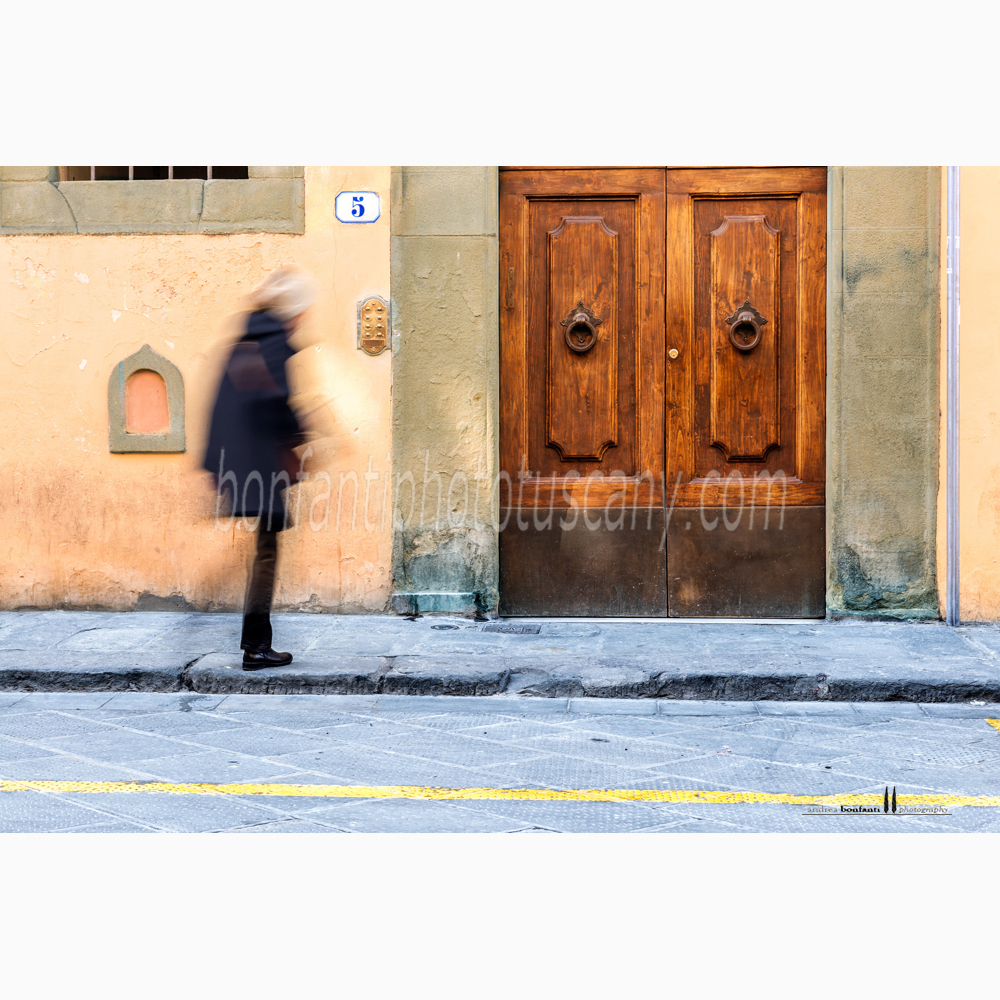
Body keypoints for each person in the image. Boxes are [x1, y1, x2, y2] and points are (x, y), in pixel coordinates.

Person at [203, 266, 317, 670]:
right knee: (266, 553)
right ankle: (256, 646)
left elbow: (221, 406)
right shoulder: (272, 343)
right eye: (302, 310)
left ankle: (256, 644)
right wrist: (303, 431)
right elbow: (274, 401)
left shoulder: (246, 338)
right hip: (259, 463)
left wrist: (215, 465)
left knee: (264, 551)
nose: (304, 318)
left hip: (244, 461)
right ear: (292, 311)